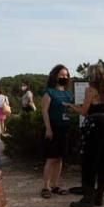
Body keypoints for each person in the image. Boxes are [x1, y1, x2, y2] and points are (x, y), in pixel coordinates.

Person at [65, 64, 104, 207]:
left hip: (94, 125)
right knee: (103, 159)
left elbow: (84, 111)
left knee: (89, 160)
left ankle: (87, 198)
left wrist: (72, 106)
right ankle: (99, 196)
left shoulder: (90, 90)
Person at [40, 65, 73, 199]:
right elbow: (44, 111)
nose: (64, 77)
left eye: (66, 75)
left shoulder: (68, 93)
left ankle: (55, 185)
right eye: (61, 75)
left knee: (60, 158)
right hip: (53, 128)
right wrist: (48, 128)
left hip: (65, 129)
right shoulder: (49, 92)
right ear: (55, 76)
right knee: (51, 158)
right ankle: (46, 186)